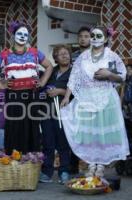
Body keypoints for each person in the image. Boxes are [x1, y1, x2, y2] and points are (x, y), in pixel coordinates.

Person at [60, 26, 130, 177]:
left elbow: (122, 76)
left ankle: (101, 166)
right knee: (89, 135)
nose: (95, 38)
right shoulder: (83, 57)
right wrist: (66, 97)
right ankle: (91, 164)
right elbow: (74, 78)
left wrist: (108, 74)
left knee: (103, 134)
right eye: (93, 35)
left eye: (99, 36)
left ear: (105, 39)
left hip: (106, 99)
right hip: (86, 100)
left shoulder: (111, 56)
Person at [0, 22, 53, 155]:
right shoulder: (5, 54)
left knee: (31, 127)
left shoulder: (35, 52)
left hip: (31, 95)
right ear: (13, 35)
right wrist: (1, 85)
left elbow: (49, 66)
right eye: (19, 34)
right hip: (13, 96)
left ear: (28, 37)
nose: (22, 37)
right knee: (13, 127)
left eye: (25, 35)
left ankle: (30, 161)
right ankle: (14, 159)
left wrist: (42, 81)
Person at [39, 45, 72, 184]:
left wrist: (59, 91)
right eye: (61, 54)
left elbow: (78, 92)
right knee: (48, 141)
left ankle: (64, 171)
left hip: (64, 111)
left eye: (66, 53)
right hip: (47, 110)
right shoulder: (51, 71)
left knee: (63, 142)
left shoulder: (74, 72)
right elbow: (42, 85)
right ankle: (47, 171)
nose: (65, 56)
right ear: (56, 58)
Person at [70, 26, 91, 174]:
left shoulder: (95, 54)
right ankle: (72, 167)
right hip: (75, 97)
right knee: (75, 132)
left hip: (92, 98)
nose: (83, 39)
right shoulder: (73, 56)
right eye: (81, 36)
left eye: (86, 36)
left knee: (91, 132)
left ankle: (92, 167)